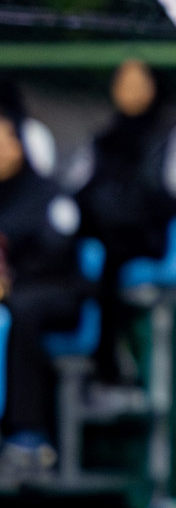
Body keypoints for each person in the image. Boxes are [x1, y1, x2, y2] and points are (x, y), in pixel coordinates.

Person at [69, 58, 176, 385]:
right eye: (123, 83)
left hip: (148, 238)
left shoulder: (173, 133)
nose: (130, 91)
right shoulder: (104, 137)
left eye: (138, 82)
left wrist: (136, 209)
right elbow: (77, 186)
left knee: (113, 261)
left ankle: (111, 368)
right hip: (103, 237)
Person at [0, 109, 84, 479]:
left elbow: (57, 254)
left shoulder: (48, 196)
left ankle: (29, 437)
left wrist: (10, 279)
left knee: (23, 309)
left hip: (53, 293)